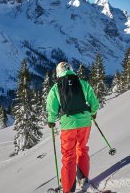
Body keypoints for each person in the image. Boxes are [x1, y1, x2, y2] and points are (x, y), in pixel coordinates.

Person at [46, 62, 99, 193]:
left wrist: (51, 121)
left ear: (58, 72)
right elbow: (94, 102)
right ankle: (83, 179)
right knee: (82, 149)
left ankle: (68, 188)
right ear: (71, 70)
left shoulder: (56, 87)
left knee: (69, 156)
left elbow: (51, 108)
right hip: (85, 123)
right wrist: (92, 113)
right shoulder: (82, 83)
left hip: (68, 125)